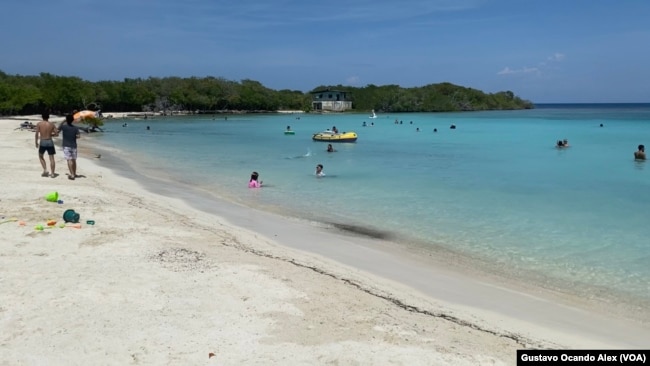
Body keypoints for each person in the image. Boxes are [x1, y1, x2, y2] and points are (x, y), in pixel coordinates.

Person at [35, 112, 58, 177]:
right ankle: (53, 173)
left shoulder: (39, 124)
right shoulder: (52, 124)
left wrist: (36, 142)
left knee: (41, 156)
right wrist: (51, 134)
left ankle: (45, 170)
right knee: (52, 158)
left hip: (43, 141)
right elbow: (56, 134)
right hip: (50, 141)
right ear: (48, 117)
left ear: (42, 117)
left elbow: (36, 133)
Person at [60, 114, 81, 180]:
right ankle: (74, 173)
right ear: (72, 120)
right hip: (74, 145)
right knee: (74, 160)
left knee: (69, 160)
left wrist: (63, 121)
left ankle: (72, 175)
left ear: (66, 120)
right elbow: (78, 136)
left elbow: (58, 128)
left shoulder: (64, 127)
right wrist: (73, 137)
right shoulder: (75, 128)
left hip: (66, 145)